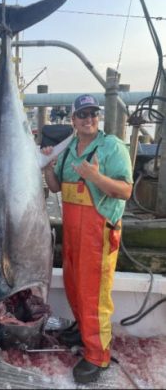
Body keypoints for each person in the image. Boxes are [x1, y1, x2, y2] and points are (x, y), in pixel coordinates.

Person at [42, 94, 133, 384]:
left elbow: (125, 191)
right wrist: (46, 166)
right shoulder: (69, 148)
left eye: (93, 113)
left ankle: (97, 355)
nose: (88, 119)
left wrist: (95, 177)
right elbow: (55, 187)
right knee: (74, 285)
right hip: (72, 233)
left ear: (99, 117)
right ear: (73, 119)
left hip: (98, 234)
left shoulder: (111, 146)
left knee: (93, 294)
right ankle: (82, 329)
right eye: (82, 114)